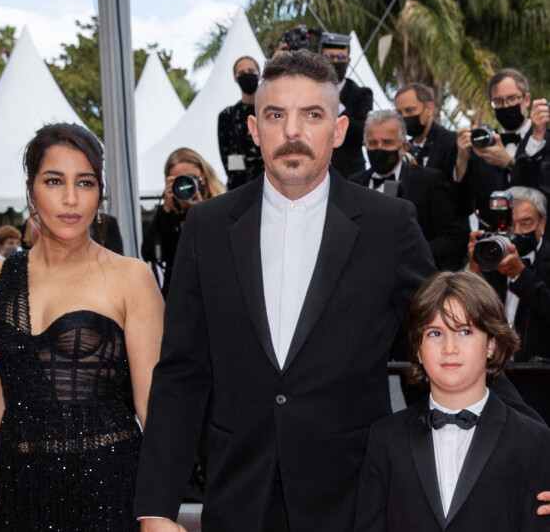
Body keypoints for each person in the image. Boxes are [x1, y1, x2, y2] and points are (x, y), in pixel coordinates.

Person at [133, 50, 436, 531]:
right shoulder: (208, 227)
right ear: (255, 131)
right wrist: (155, 507)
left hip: (355, 498)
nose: (292, 132)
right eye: (276, 115)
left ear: (338, 131)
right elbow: (182, 374)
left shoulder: (389, 226)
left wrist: (532, 449)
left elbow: (451, 337)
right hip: (240, 498)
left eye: (311, 115)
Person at [0, 122, 163, 530]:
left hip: (110, 492)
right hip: (16, 493)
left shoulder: (131, 278)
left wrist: (156, 512)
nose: (71, 198)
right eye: (54, 180)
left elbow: (156, 410)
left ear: (100, 192)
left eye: (86, 182)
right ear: (31, 189)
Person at [356, 271, 550, 531]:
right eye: (435, 333)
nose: (449, 348)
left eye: (465, 331)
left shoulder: (533, 440)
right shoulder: (385, 438)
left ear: (491, 344)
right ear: (417, 349)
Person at [467, 186, 550, 424]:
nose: (516, 233)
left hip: (540, 385)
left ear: (542, 225)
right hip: (492, 384)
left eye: (527, 224)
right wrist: (474, 269)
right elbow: (465, 313)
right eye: (509, 225)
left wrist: (520, 276)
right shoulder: (490, 253)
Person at [351, 110, 468, 271]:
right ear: (365, 145)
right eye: (373, 143)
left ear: (404, 147)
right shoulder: (353, 184)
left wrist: (410, 253)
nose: (380, 149)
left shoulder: (429, 182)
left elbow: (454, 237)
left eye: (387, 143)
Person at [456, 68, 550, 227]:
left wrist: (509, 163)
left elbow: (543, 195)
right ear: (491, 107)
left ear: (526, 99)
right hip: (492, 242)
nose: (506, 106)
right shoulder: (482, 147)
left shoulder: (546, 140)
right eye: (498, 101)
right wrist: (462, 160)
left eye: (512, 98)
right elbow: (462, 205)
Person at [141, 147, 225, 298]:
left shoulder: (223, 207)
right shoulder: (168, 218)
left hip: (215, 296)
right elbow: (151, 254)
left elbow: (222, 253)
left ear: (204, 177)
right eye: (177, 181)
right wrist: (165, 211)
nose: (185, 186)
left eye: (190, 178)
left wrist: (202, 214)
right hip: (178, 299)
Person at [319, 32, 373, 178]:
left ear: (349, 61)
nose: (335, 62)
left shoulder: (362, 94)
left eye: (341, 57)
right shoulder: (310, 92)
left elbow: (361, 133)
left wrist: (338, 105)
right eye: (329, 57)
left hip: (350, 174)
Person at [217, 56, 264, 190]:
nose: (247, 75)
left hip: (270, 186)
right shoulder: (227, 116)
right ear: (235, 78)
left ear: (259, 75)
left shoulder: (271, 112)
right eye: (241, 73)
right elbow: (225, 155)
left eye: (250, 70)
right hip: (238, 188)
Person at [394, 82, 458, 179]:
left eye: (410, 110)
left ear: (429, 108)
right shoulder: (404, 149)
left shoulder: (452, 142)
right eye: (399, 113)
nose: (404, 117)